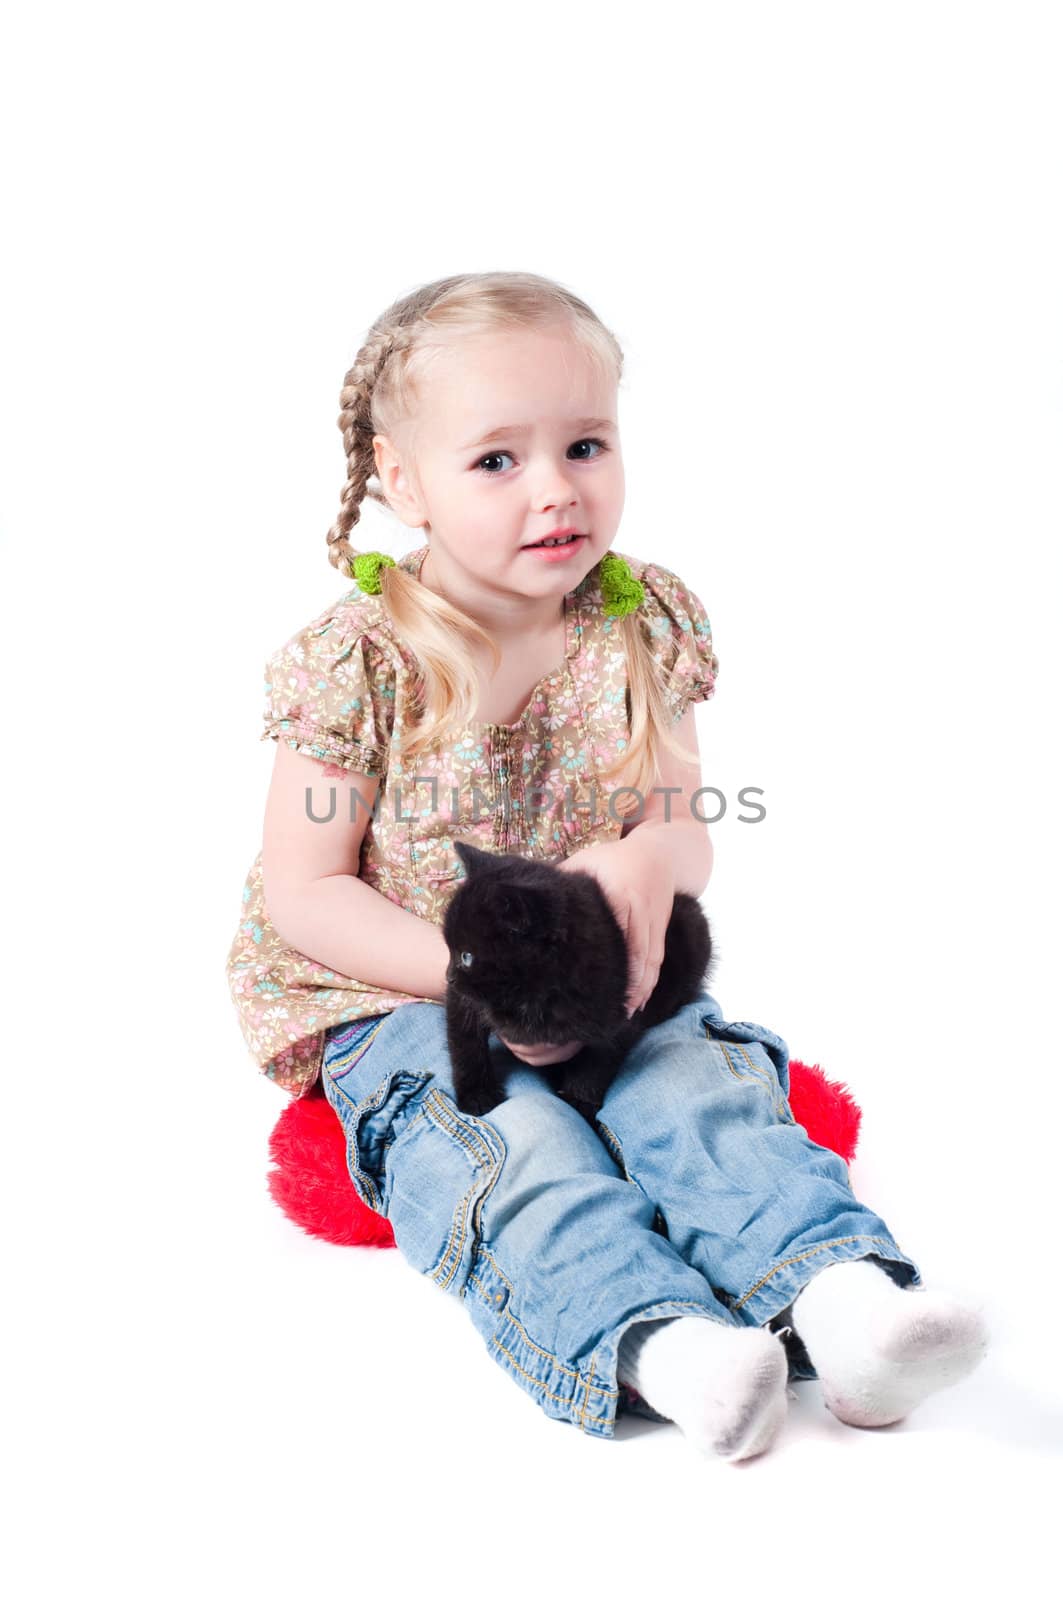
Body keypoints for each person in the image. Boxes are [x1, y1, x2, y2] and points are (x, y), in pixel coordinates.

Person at [226, 270, 988, 1460]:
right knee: (507, 1142)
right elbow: (305, 888)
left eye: (584, 444)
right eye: (496, 461)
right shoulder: (358, 661)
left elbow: (683, 821)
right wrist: (478, 979)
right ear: (401, 479)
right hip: (407, 995)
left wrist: (648, 865)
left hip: (596, 969)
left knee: (695, 1088)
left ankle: (845, 1307)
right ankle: (659, 1343)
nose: (555, 491)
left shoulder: (637, 620)